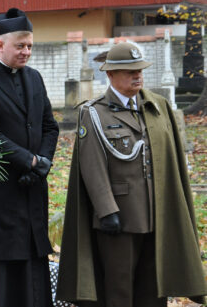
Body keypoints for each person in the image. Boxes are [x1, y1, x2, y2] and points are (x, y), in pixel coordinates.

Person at [56, 42, 207, 306]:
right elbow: (92, 166)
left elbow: (169, 161)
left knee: (154, 289)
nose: (137, 75)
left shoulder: (157, 106)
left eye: (139, 70)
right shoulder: (94, 113)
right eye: (129, 71)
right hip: (119, 217)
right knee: (119, 290)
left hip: (157, 214)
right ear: (110, 74)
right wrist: (106, 210)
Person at [0, 7, 59, 307]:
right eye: (20, 45)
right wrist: (29, 161)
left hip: (31, 189)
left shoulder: (35, 77)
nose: (27, 51)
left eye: (30, 45)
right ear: (0, 44)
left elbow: (49, 126)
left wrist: (41, 163)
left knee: (31, 259)